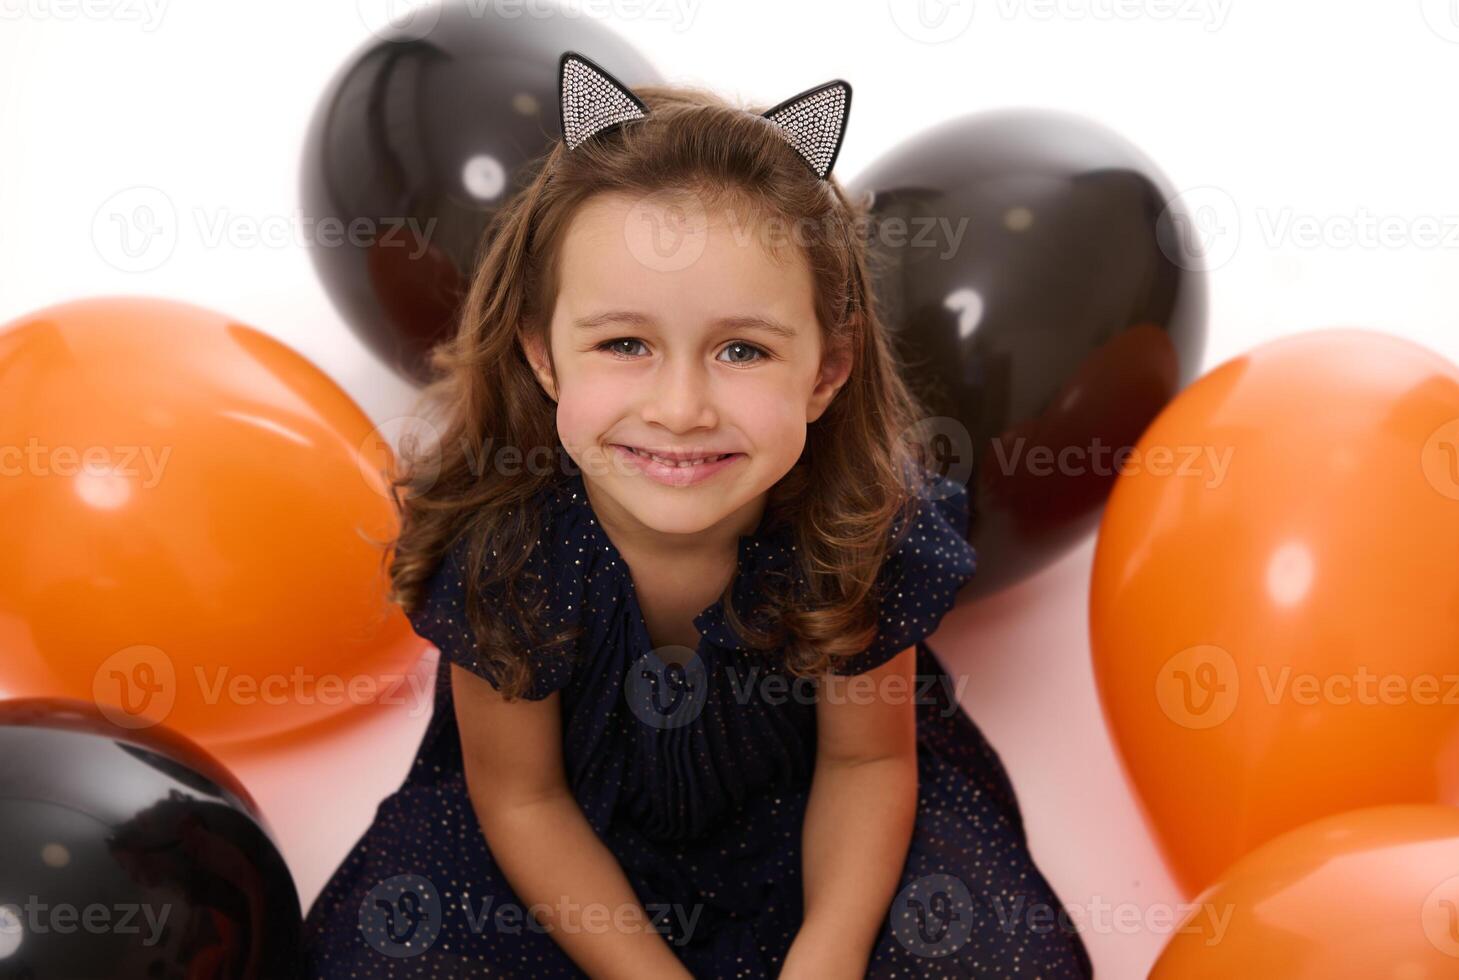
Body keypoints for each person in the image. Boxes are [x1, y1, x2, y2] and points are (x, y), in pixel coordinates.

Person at [302, 51, 1092, 979]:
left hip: (813, 818)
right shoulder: (506, 546)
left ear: (826, 372)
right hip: (565, 839)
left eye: (744, 351)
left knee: (994, 957)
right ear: (545, 356)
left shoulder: (854, 526)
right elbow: (524, 801)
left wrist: (827, 957)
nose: (681, 409)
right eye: (625, 343)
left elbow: (867, 768)